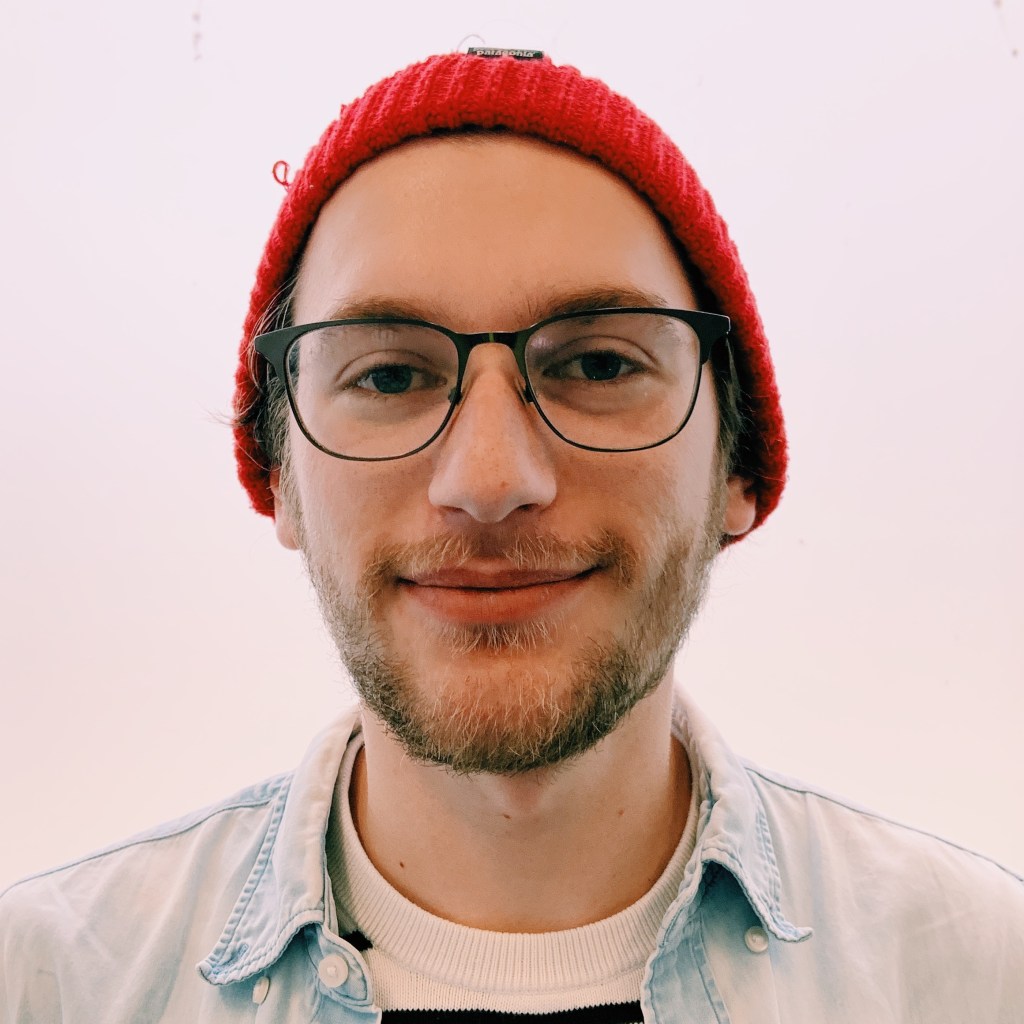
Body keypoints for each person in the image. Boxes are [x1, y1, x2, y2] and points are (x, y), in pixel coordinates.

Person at [1, 48, 1021, 1023]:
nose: (489, 481)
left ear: (737, 471)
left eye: (599, 365)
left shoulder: (980, 975)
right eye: (388, 375)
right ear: (281, 478)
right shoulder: (43, 987)